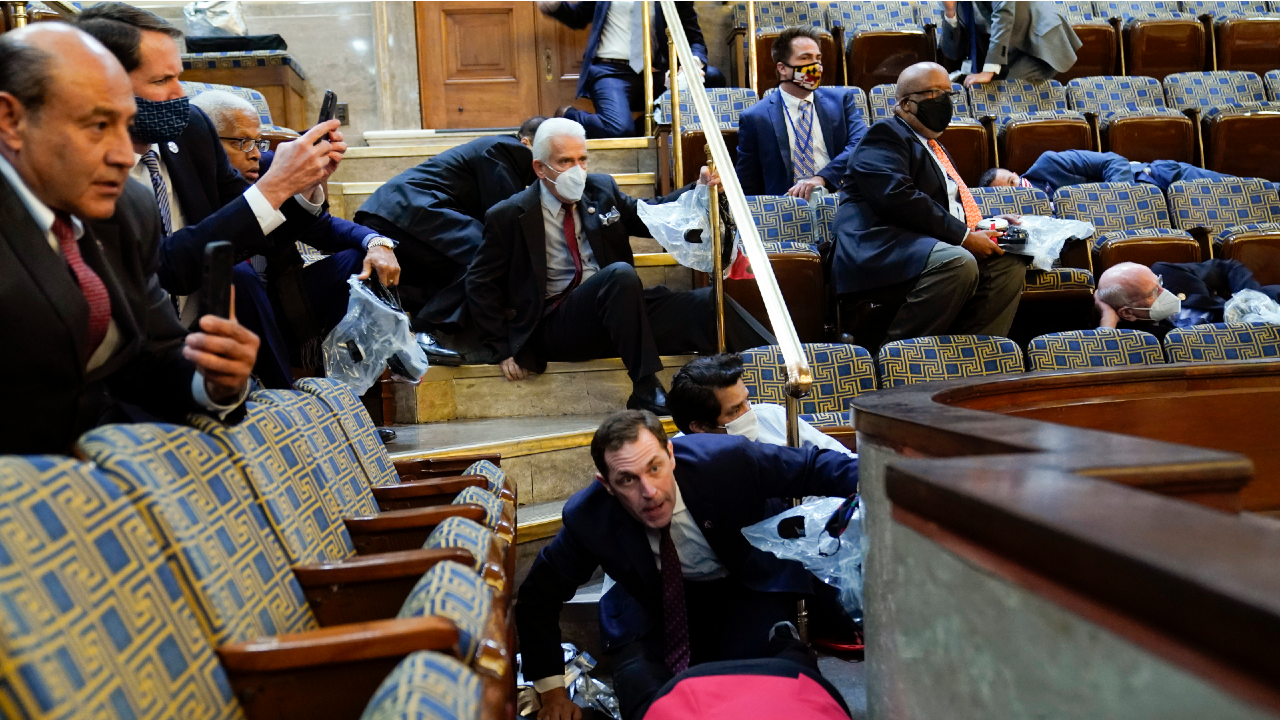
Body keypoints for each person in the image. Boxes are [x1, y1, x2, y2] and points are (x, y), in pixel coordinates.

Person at [0, 24, 259, 455]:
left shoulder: (128, 210)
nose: (123, 155)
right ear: (11, 120)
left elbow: (151, 357)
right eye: (98, 125)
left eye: (125, 126)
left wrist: (213, 378)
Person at [516, 409, 860, 720]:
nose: (649, 491)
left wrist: (899, 487)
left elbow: (814, 467)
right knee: (647, 698)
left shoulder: (727, 460)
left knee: (773, 684)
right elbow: (537, 597)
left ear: (671, 456)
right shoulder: (588, 517)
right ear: (606, 484)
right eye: (627, 480)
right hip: (649, 605)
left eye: (654, 467)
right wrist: (553, 692)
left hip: (742, 586)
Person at [77, 5, 345, 387]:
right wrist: (274, 186)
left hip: (201, 347)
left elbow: (255, 227)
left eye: (179, 77)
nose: (180, 94)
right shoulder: (82, 171)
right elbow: (166, 268)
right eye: (162, 80)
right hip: (122, 366)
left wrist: (301, 185)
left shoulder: (192, 130)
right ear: (103, 86)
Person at [466, 118, 775, 414]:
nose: (577, 170)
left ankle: (781, 365)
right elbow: (481, 284)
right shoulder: (508, 215)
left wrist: (699, 186)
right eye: (565, 162)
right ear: (539, 167)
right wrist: (502, 348)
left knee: (707, 303)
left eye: (582, 159)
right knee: (619, 275)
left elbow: (650, 216)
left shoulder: (601, 190)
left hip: (620, 312)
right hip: (559, 324)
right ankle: (644, 386)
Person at [190, 90, 412, 376]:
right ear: (204, 142)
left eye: (257, 141)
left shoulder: (266, 167)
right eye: (242, 142)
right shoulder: (188, 180)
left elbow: (323, 229)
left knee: (360, 261)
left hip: (280, 298)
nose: (255, 153)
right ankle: (283, 392)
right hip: (222, 305)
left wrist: (376, 242)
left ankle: (344, 387)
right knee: (239, 276)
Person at [832, 62, 1029, 342]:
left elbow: (945, 208)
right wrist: (964, 237)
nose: (945, 102)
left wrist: (985, 224)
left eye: (949, 94)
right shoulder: (884, 135)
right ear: (907, 104)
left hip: (926, 245)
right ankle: (901, 358)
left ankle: (975, 357)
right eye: (936, 94)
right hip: (881, 248)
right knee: (958, 261)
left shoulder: (932, 145)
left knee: (1007, 260)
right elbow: (897, 197)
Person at [354, 117, 544, 358]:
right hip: (409, 209)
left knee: (460, 270)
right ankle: (423, 329)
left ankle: (407, 322)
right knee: (490, 256)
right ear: (527, 142)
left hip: (397, 213)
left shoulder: (502, 154)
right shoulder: (507, 149)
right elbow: (504, 221)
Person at [537, 1, 725, 138]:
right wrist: (555, 7)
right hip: (610, 72)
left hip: (656, 74)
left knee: (714, 77)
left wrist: (693, 63)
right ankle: (567, 115)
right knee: (619, 130)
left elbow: (694, 38)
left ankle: (648, 125)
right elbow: (578, 17)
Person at [736, 26, 867, 199]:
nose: (816, 66)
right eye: (805, 58)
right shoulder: (755, 117)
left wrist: (822, 178)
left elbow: (862, 143)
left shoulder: (841, 101)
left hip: (840, 198)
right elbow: (748, 183)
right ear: (783, 68)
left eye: (817, 59)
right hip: (787, 207)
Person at [666, 354, 854, 458]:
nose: (750, 413)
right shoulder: (679, 458)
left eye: (746, 400)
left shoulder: (774, 416)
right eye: (736, 410)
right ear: (700, 427)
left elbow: (844, 460)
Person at [1095, 260, 1280, 340]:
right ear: (1127, 313)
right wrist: (1107, 318)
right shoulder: (1138, 337)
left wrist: (1252, 299)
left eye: (1158, 282)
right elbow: (1103, 359)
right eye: (1153, 292)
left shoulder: (1169, 272)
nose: (1164, 290)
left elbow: (1228, 267)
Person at [939, 1, 1082, 87]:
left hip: (1038, 41)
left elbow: (1004, 14)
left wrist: (989, 70)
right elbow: (952, 52)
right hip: (1006, 50)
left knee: (1008, 90)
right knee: (989, 91)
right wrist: (950, 12)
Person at [980, 149, 1236, 196]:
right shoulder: (1031, 219)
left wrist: (1121, 197)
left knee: (1255, 192)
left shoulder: (1049, 164)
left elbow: (1113, 161)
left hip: (1158, 178)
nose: (1018, 189)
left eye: (1013, 181)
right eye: (1011, 192)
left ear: (1016, 173)